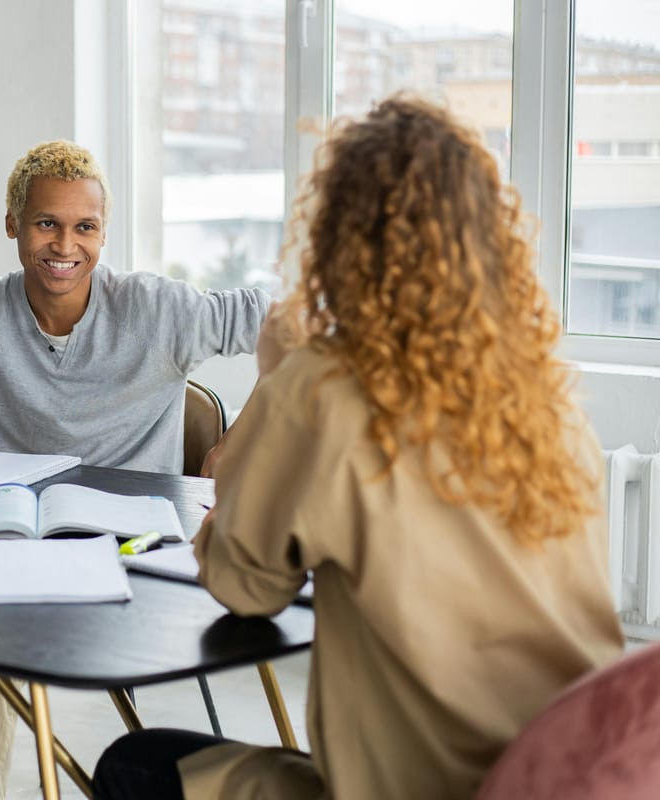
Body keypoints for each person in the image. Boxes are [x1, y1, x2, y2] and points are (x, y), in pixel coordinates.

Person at [90, 95, 626, 800]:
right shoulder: (545, 399)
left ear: (341, 235)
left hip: (420, 787)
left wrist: (275, 375)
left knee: (134, 766)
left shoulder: (325, 388)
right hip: (573, 775)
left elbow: (241, 583)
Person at [0, 140, 272, 799]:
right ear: (14, 223)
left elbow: (300, 328)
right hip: (29, 561)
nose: (64, 245)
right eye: (46, 222)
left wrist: (240, 443)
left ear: (103, 232)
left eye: (85, 227)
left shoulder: (155, 310)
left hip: (139, 559)